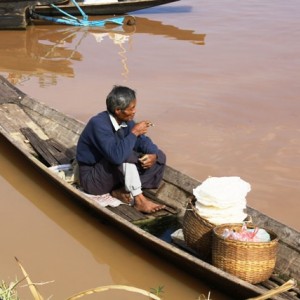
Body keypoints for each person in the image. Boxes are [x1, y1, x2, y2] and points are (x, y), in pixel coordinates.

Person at [76, 85, 166, 213]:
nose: (135, 111)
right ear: (118, 110)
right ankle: (139, 200)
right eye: (131, 108)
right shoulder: (98, 124)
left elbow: (143, 142)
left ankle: (120, 191)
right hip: (93, 179)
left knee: (159, 156)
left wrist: (153, 155)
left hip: (113, 175)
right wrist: (134, 132)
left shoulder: (127, 121)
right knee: (124, 155)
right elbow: (116, 156)